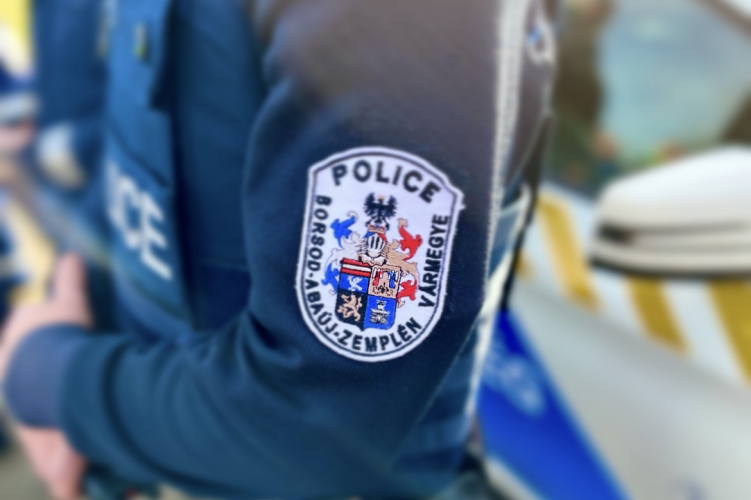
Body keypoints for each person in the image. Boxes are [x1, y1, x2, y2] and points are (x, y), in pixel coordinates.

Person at [0, 1, 556, 499]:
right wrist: (81, 393)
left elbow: (313, 418)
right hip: (155, 450)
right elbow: (139, 171)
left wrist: (48, 375)